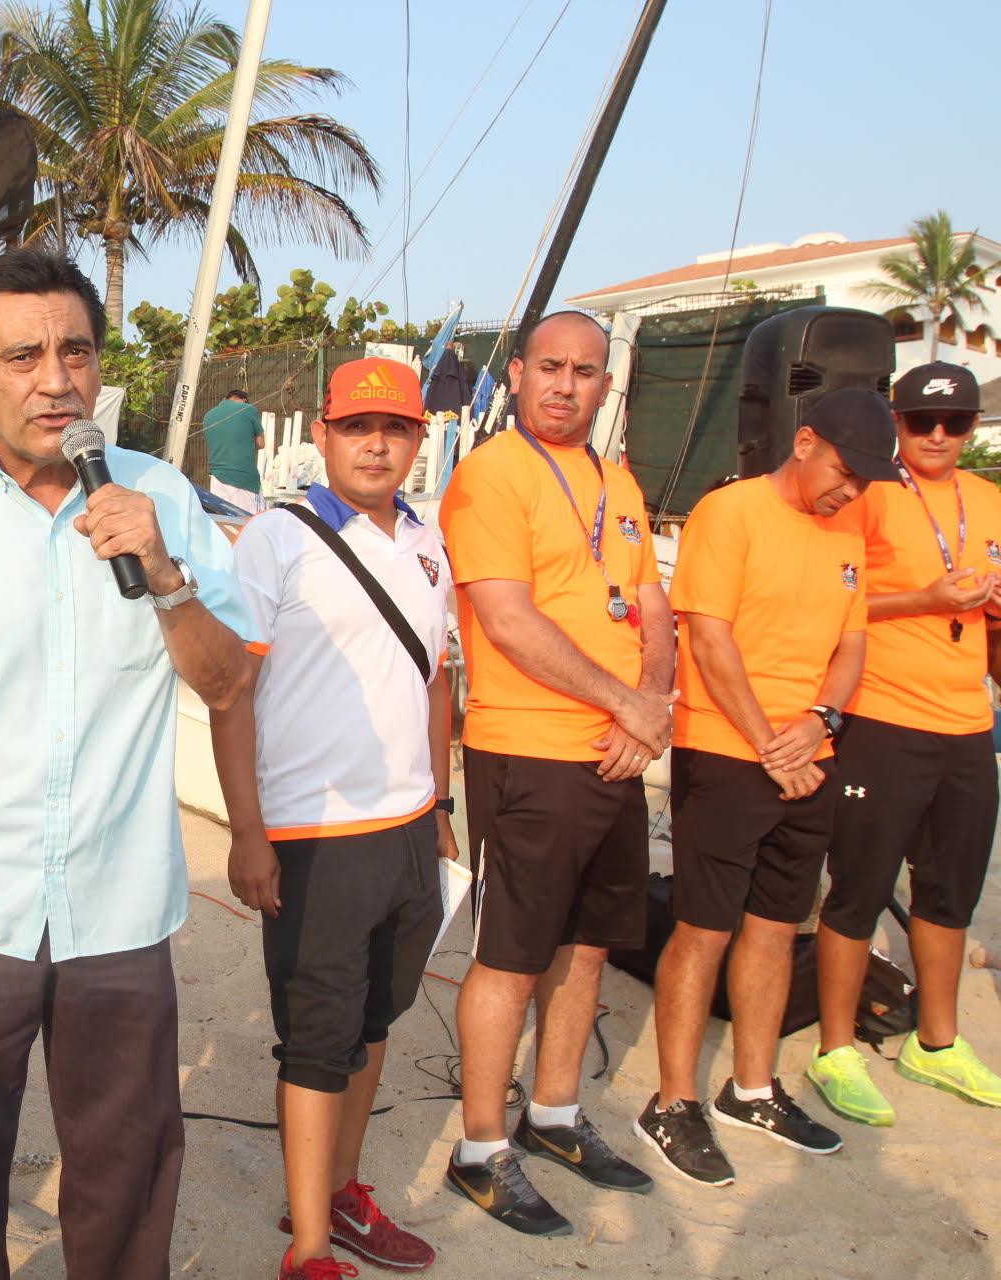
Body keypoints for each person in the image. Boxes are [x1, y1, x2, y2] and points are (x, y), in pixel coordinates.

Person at [0, 248, 254, 1280]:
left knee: (128, 1174)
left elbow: (230, 682)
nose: (55, 378)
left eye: (76, 351)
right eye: (22, 354)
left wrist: (163, 575)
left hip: (118, 909)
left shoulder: (160, 496)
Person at [213, 358, 453, 1279]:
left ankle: (343, 1194)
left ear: (418, 439)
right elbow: (234, 691)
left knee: (378, 1020)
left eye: (394, 428)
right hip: (313, 834)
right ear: (324, 433)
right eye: (358, 427)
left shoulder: (431, 541)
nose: (376, 443)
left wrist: (440, 802)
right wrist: (246, 830)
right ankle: (309, 1249)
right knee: (317, 1040)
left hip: (405, 828)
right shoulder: (278, 539)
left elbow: (435, 679)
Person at [437, 311, 672, 1235]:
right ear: (520, 374)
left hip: (616, 747)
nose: (565, 385)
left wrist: (648, 709)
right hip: (530, 747)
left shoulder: (618, 481)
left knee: (590, 944)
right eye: (550, 368)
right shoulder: (493, 474)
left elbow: (652, 604)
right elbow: (507, 620)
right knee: (512, 954)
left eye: (584, 371)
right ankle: (481, 1148)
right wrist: (629, 704)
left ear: (604, 384)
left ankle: (557, 1113)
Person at [639, 388, 895, 1185]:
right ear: (805, 440)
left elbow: (852, 642)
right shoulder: (732, 513)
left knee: (780, 924)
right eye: (845, 473)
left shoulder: (851, 524)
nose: (850, 493)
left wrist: (820, 722)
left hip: (808, 751)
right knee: (704, 929)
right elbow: (708, 640)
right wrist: (765, 743)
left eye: (862, 483)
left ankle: (750, 1088)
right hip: (727, 749)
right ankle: (672, 1103)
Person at [809, 363, 1001, 1122]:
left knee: (951, 893)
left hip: (967, 725)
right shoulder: (872, 495)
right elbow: (834, 595)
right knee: (857, 889)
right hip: (882, 717)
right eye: (923, 422)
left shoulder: (988, 500)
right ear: (898, 420)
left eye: (956, 424)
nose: (939, 438)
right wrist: (925, 598)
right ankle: (834, 1049)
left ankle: (938, 1040)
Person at [202, 389, 266, 512]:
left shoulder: (208, 416)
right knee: (250, 521)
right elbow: (261, 443)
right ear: (243, 400)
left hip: (216, 479)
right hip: (243, 479)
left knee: (223, 521)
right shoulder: (248, 409)